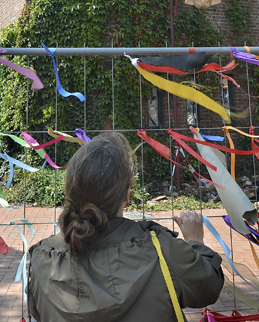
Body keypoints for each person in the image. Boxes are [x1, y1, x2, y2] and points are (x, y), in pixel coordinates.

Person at [27, 133, 224, 321]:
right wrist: (196, 242)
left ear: (70, 191)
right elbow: (208, 286)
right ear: (127, 194)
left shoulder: (42, 259)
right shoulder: (162, 251)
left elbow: (37, 311)